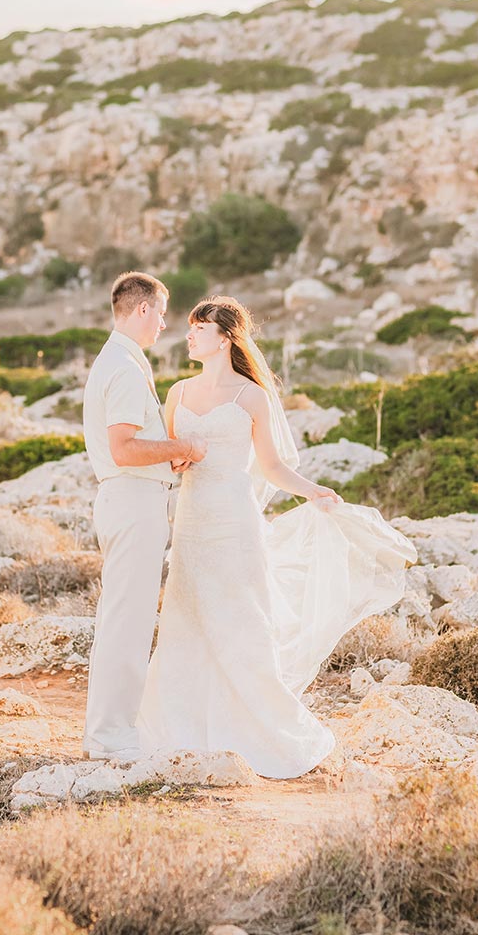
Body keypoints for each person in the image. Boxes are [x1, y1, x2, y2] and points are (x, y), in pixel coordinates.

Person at [136, 295, 416, 779]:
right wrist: (176, 458)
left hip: (234, 522)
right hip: (191, 520)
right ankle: (177, 728)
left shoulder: (251, 397)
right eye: (188, 327)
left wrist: (312, 492)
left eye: (198, 328)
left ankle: (260, 731)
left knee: (241, 620)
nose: (189, 335)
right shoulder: (178, 392)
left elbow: (271, 466)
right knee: (186, 616)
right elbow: (168, 454)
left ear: (224, 337)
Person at [81, 271, 207, 762]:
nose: (164, 323)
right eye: (160, 312)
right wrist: (184, 447)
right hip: (133, 502)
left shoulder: (119, 360)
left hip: (131, 498)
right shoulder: (126, 367)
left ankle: (108, 730)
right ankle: (111, 736)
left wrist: (165, 455)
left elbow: (132, 445)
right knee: (126, 622)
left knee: (124, 618)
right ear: (142, 310)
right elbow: (124, 447)